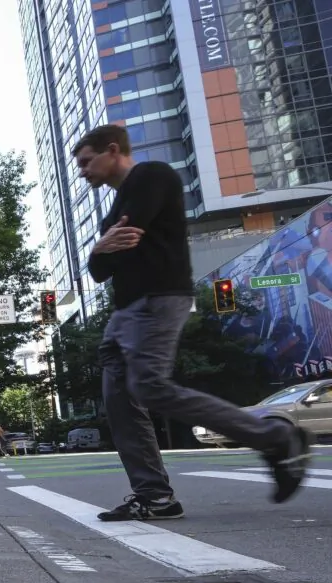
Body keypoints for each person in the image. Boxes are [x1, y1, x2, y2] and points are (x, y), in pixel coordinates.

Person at [74, 124, 311, 520]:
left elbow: (125, 238)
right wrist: (101, 248)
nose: (83, 172)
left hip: (158, 299)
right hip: (125, 313)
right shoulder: (115, 207)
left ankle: (277, 437)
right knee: (119, 399)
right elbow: (99, 268)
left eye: (86, 162)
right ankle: (155, 497)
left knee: (151, 389)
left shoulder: (152, 176)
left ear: (112, 150)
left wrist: (103, 250)